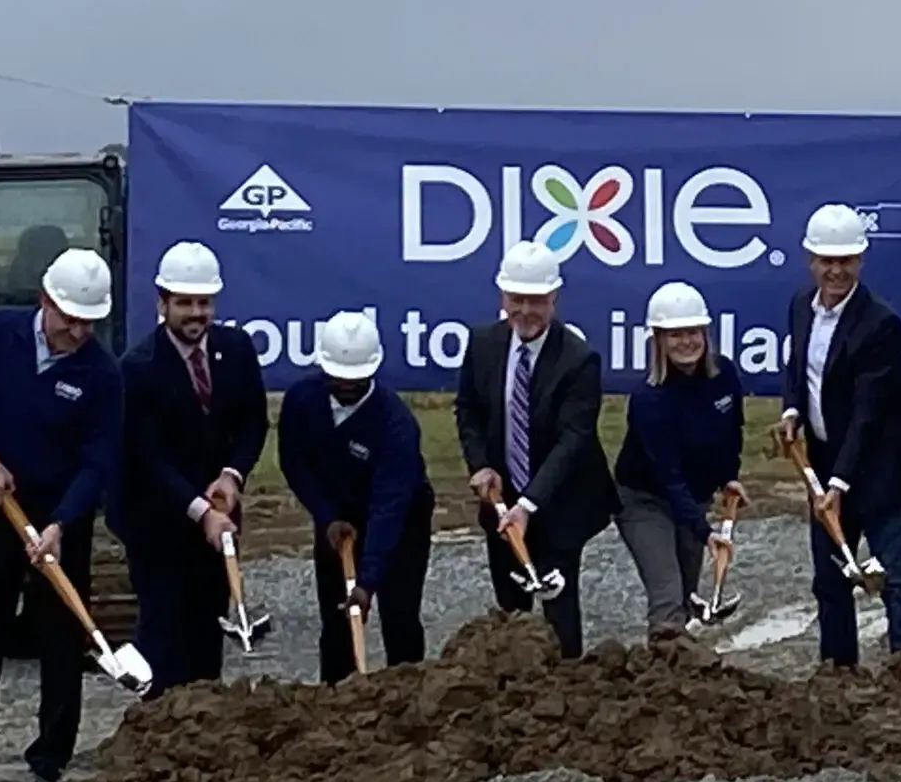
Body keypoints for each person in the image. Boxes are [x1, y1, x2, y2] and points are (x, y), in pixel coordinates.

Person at [0, 247, 123, 782]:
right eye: (69, 320)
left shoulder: (101, 374)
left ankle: (50, 755)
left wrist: (62, 523)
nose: (78, 333)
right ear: (45, 301)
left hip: (60, 513)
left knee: (60, 634)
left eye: (89, 323)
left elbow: (98, 460)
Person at [115, 241, 270, 696]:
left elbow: (252, 422)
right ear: (162, 303)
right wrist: (201, 511)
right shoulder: (138, 369)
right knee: (163, 636)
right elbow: (146, 458)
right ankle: (157, 727)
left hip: (217, 520)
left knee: (206, 629)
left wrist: (232, 475)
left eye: (204, 302)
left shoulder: (236, 350)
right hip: (157, 521)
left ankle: (202, 730)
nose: (195, 313)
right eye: (184, 302)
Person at [773, 203, 901, 667]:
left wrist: (839, 483)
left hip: (876, 473)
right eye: (827, 261)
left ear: (860, 261)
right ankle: (838, 672)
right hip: (823, 466)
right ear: (810, 260)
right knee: (830, 580)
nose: (835, 270)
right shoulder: (802, 306)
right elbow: (799, 369)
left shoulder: (880, 324)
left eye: (845, 261)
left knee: (893, 578)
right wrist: (793, 410)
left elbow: (868, 414)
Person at [453, 241, 618, 658]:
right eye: (516, 300)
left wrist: (528, 506)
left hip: (561, 501)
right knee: (511, 613)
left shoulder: (579, 360)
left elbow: (573, 441)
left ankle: (567, 696)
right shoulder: (483, 344)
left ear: (554, 299)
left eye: (537, 301)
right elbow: (469, 409)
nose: (526, 310)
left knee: (559, 613)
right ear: (502, 297)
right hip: (501, 501)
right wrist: (481, 466)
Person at [277, 311, 434, 683]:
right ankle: (337, 701)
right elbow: (294, 463)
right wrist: (326, 516)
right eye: (339, 378)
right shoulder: (302, 401)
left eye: (355, 379)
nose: (346, 386)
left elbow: (388, 508)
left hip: (400, 522)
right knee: (336, 621)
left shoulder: (395, 425)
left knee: (399, 615)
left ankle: (407, 697)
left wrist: (367, 583)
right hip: (336, 518)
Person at [612, 281, 748, 639]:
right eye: (674, 335)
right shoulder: (649, 400)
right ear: (658, 339)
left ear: (705, 333)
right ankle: (660, 679)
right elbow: (668, 477)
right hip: (644, 500)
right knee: (668, 594)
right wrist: (706, 533)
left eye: (693, 332)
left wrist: (728, 477)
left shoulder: (725, 375)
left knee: (687, 593)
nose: (686, 342)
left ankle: (681, 680)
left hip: (693, 495)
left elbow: (731, 432)